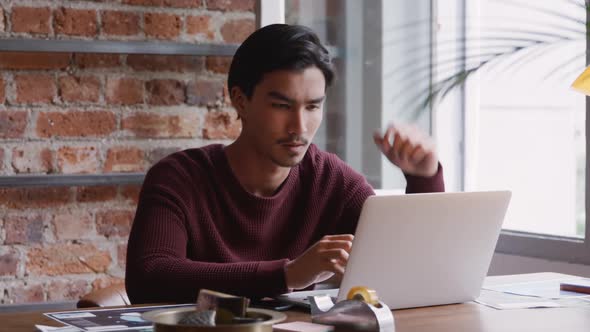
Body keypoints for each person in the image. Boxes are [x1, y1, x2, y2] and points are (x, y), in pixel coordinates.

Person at [125, 24, 444, 304]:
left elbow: (414, 269)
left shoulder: (332, 181)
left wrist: (424, 178)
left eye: (312, 107)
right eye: (282, 105)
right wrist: (286, 275)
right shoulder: (178, 178)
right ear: (240, 100)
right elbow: (150, 277)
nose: (299, 127)